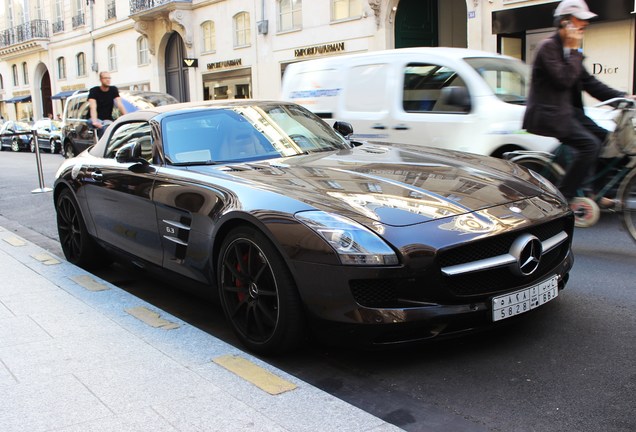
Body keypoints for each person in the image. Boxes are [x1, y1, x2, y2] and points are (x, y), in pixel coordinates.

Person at [523, 0, 631, 208]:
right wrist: (573, 50)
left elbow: (589, 83)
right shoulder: (549, 48)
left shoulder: (570, 51)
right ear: (564, 23)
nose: (584, 25)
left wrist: (623, 97)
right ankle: (565, 198)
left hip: (568, 112)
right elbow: (563, 79)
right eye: (579, 20)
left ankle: (594, 194)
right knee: (590, 145)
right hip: (550, 114)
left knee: (608, 141)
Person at [88, 71, 127, 138]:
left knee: (113, 127)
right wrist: (95, 121)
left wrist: (127, 117)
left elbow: (119, 104)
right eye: (105, 78)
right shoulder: (94, 91)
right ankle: (102, 146)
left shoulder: (113, 90)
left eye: (109, 78)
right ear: (101, 80)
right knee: (104, 128)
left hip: (107, 119)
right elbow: (93, 107)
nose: (108, 80)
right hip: (94, 118)